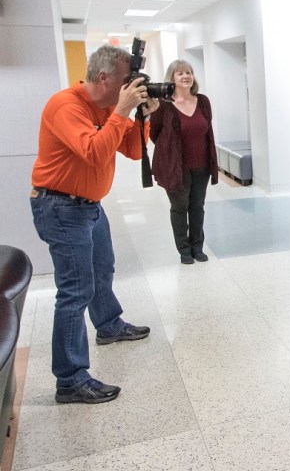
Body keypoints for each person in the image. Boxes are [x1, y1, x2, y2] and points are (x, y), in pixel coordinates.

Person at [30, 45, 157, 404]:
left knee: (103, 269)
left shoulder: (106, 108)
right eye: (125, 81)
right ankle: (70, 379)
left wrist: (141, 116)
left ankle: (109, 325)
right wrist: (122, 110)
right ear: (104, 78)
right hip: (60, 206)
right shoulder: (66, 105)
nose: (130, 87)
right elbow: (95, 152)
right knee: (75, 291)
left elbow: (132, 151)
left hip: (88, 205)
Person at [150, 60, 219, 265]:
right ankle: (184, 250)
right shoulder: (163, 105)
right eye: (180, 73)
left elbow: (207, 129)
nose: (186, 76)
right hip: (176, 167)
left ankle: (197, 247)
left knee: (197, 206)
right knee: (179, 207)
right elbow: (155, 135)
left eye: (189, 72)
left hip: (202, 165)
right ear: (171, 77)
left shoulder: (203, 101)